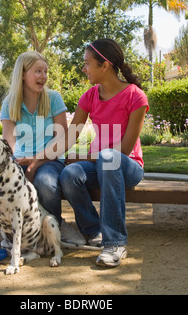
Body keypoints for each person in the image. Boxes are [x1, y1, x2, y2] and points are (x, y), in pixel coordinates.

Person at [27, 39, 149, 267]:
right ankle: (94, 231)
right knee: (69, 173)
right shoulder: (90, 96)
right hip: (99, 163)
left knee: (108, 157)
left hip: (128, 166)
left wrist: (84, 157)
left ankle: (115, 243)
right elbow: (68, 137)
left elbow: (123, 149)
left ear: (105, 66)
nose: (84, 69)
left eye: (87, 63)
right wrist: (40, 157)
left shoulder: (135, 96)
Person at [0, 51, 86, 248]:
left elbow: (62, 138)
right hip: (20, 159)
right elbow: (8, 142)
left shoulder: (53, 98)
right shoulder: (10, 102)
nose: (43, 76)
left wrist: (37, 160)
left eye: (45, 72)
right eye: (38, 71)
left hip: (50, 159)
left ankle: (56, 225)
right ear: (22, 74)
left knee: (46, 182)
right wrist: (10, 166)